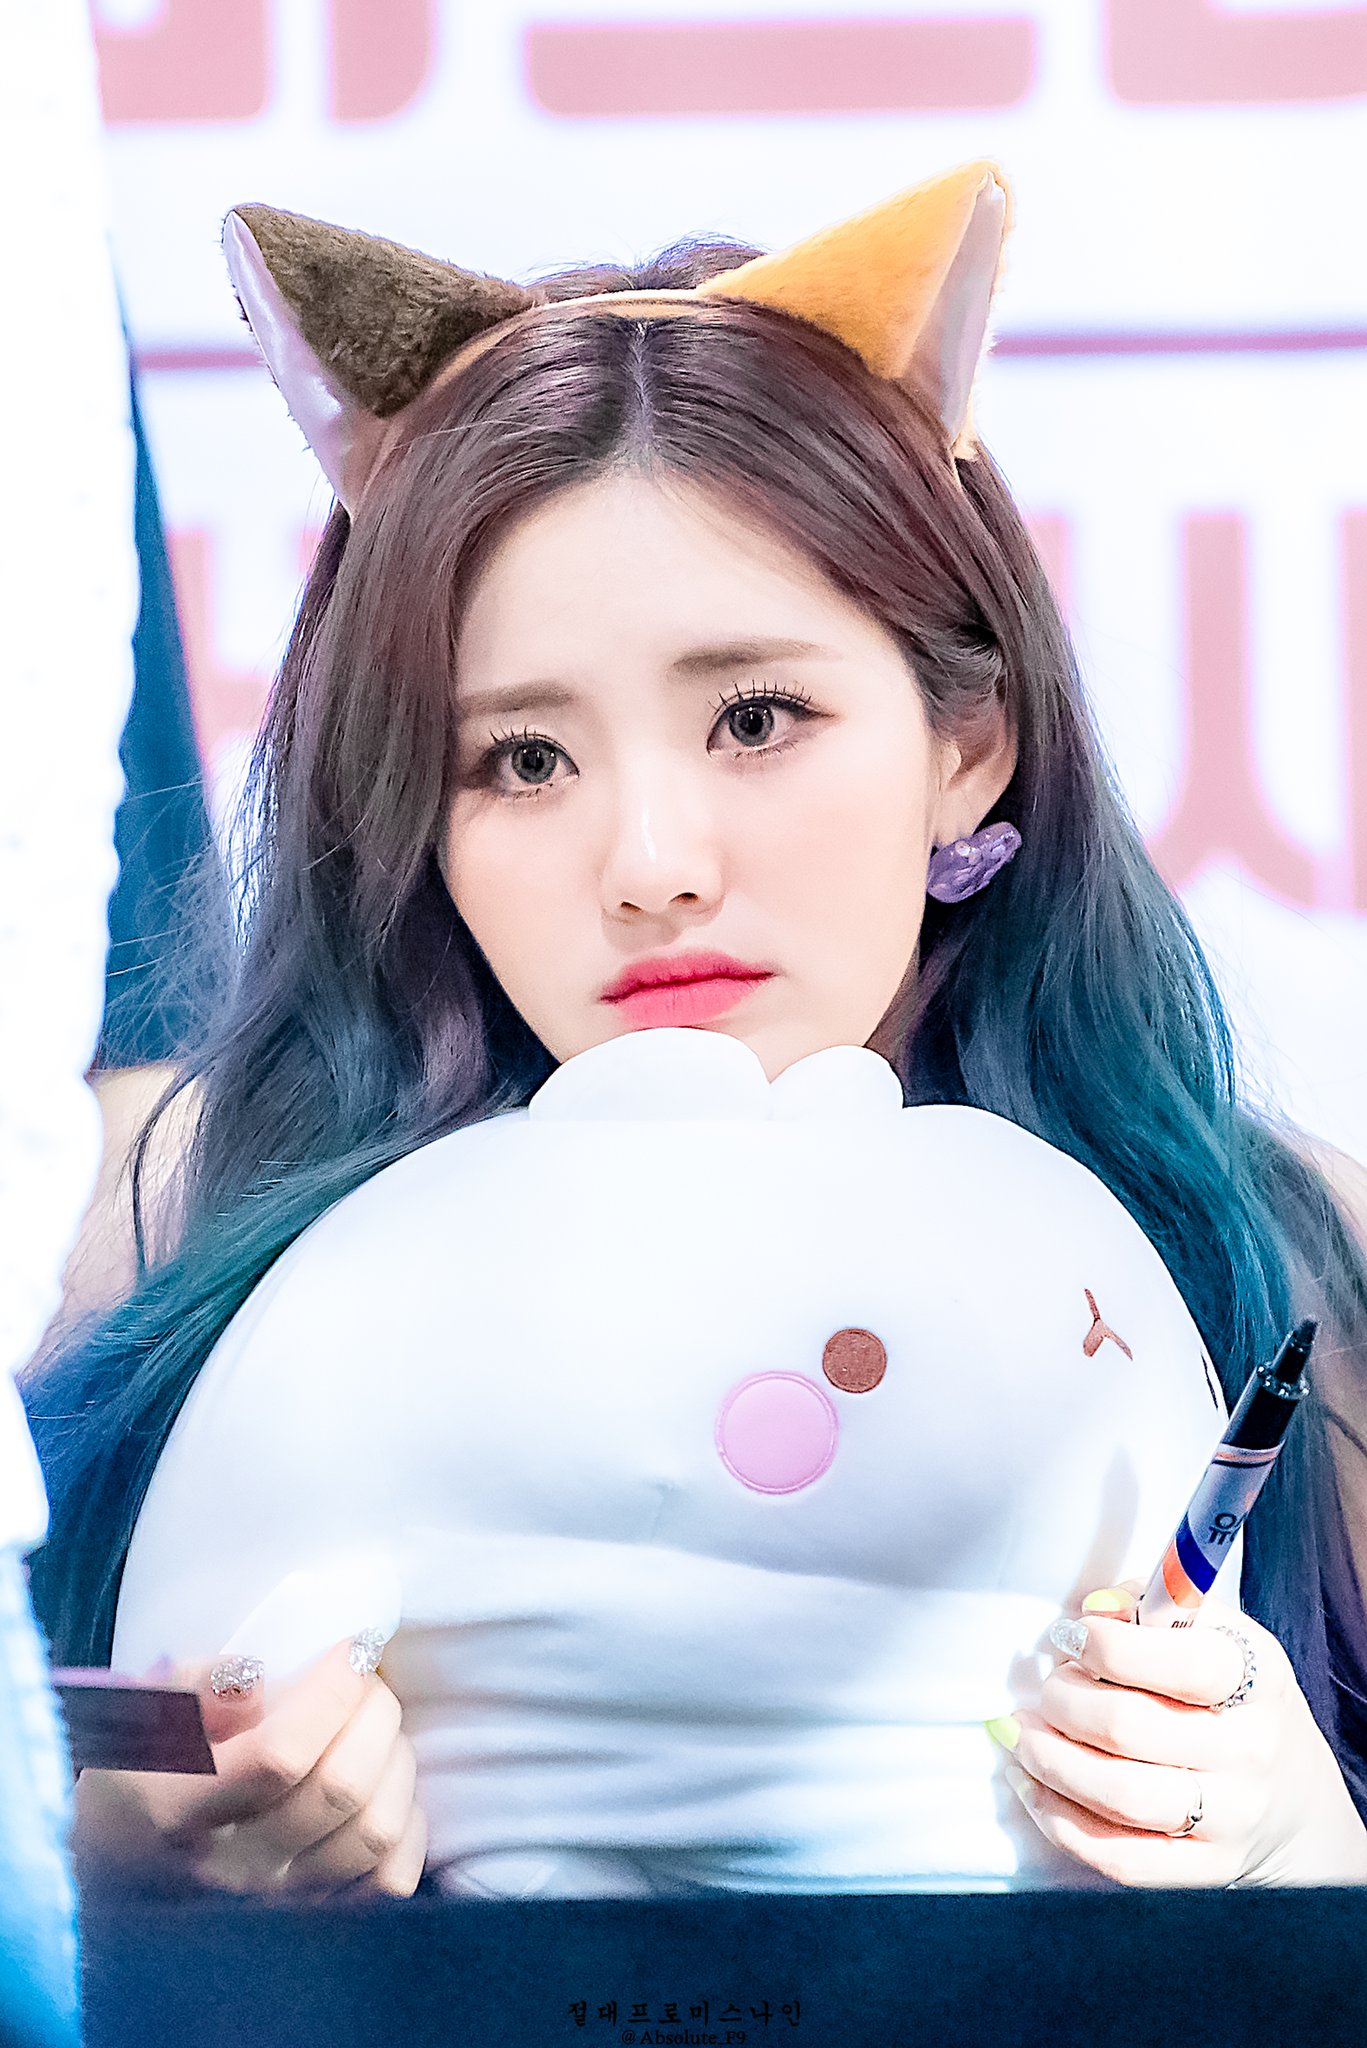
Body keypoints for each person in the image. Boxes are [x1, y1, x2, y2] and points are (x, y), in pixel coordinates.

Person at [24, 161, 1367, 1897]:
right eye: (523, 760)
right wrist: (132, 1812)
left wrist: (1315, 1853)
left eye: (755, 719)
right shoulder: (184, 1217)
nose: (650, 865)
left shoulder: (1281, 1266)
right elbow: (59, 1718)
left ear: (967, 742)